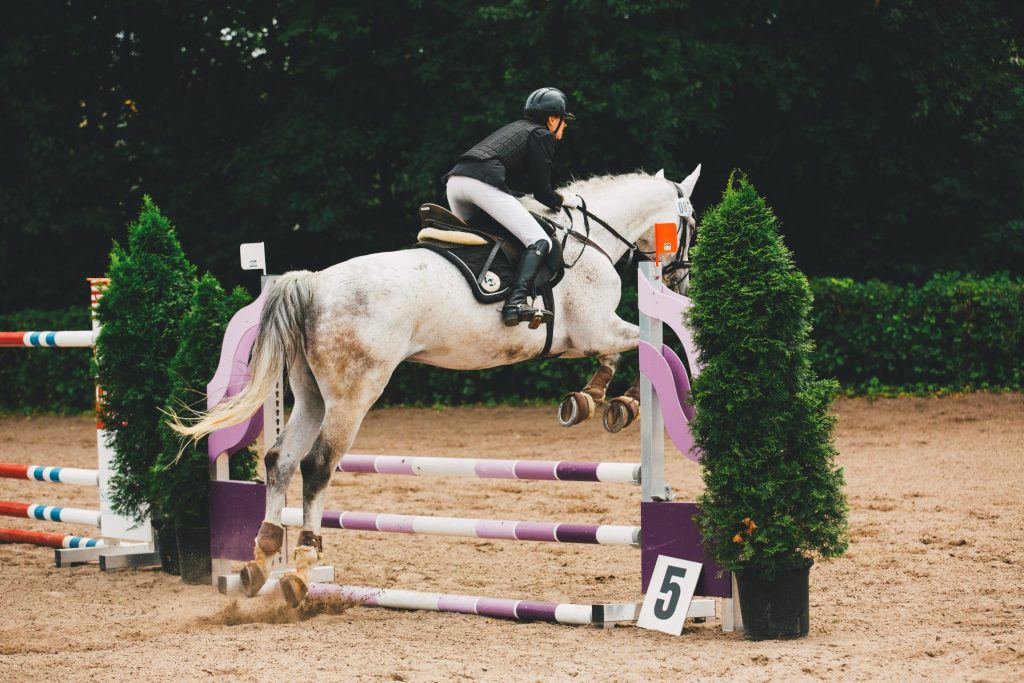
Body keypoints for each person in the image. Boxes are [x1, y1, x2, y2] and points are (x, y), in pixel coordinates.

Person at [444, 87, 581, 327]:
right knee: (540, 241)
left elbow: (513, 184)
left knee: (496, 237)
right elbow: (542, 192)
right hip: (480, 185)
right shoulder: (542, 135)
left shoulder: (516, 128)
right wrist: (562, 200)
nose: (565, 125)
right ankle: (515, 303)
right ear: (552, 119)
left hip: (455, 184)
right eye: (563, 120)